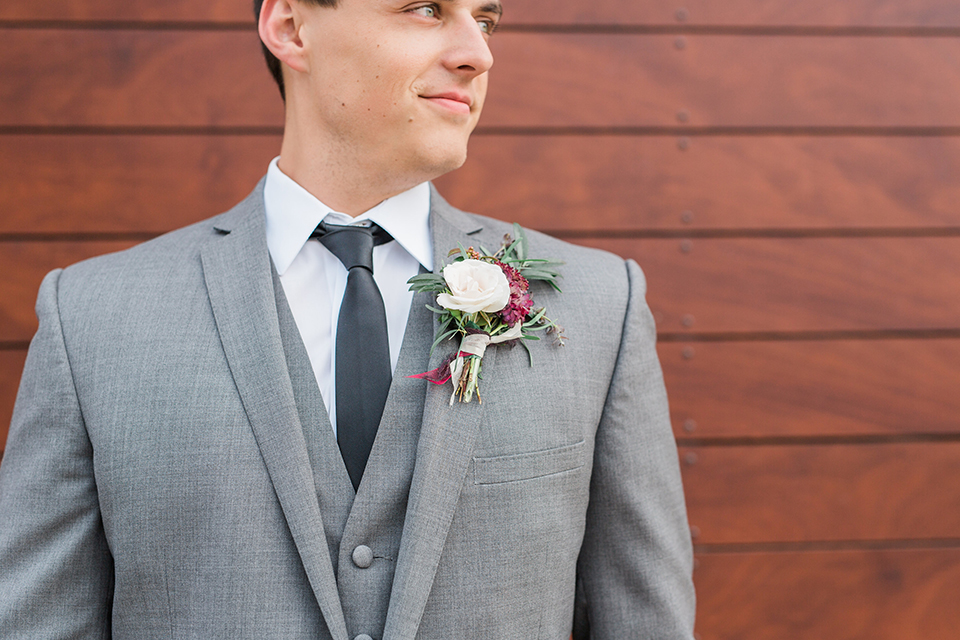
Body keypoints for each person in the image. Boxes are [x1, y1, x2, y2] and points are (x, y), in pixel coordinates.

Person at [0, 0, 696, 637]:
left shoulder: (601, 307)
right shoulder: (90, 318)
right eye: (425, 9)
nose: (478, 54)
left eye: (485, 19)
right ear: (291, 28)